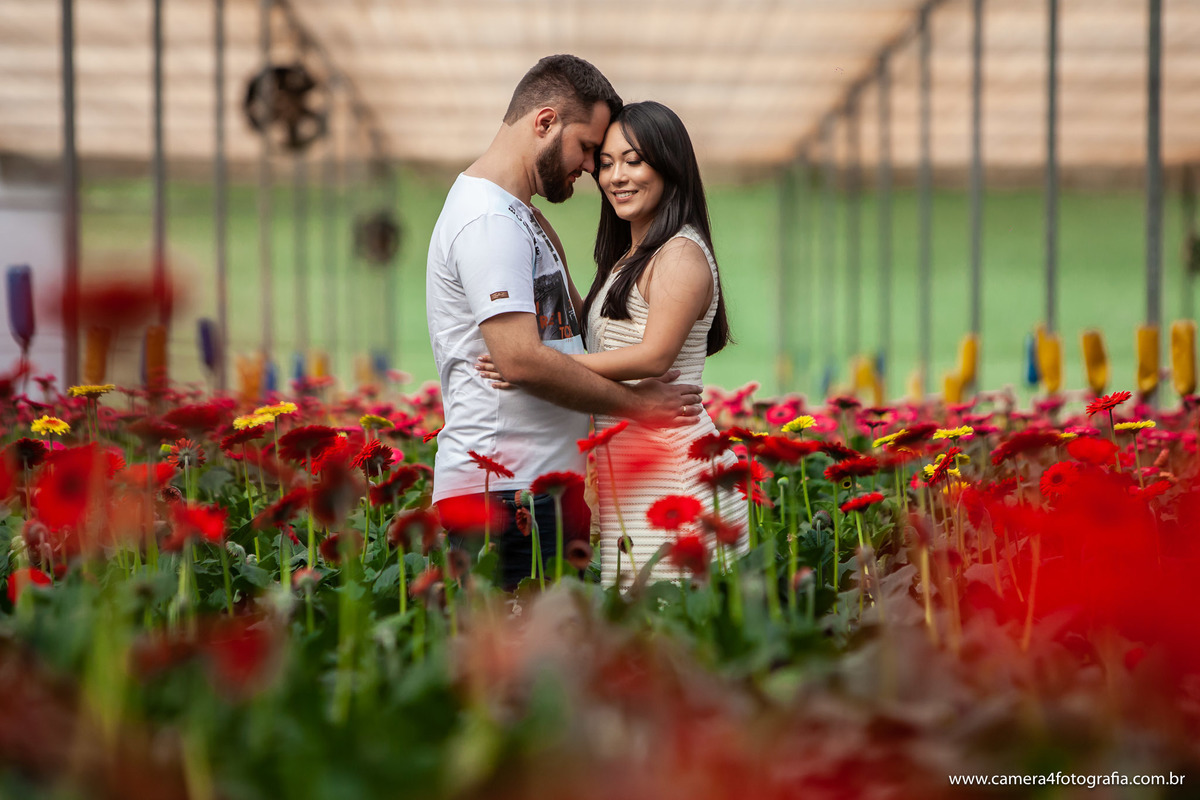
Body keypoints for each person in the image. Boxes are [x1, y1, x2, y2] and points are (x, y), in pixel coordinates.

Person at [426, 56, 704, 591]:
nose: (592, 170)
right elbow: (520, 359)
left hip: (541, 487)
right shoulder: (487, 220)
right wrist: (640, 407)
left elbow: (574, 327)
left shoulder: (520, 214)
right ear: (546, 122)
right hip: (506, 492)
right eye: (588, 149)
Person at [479, 101, 746, 587]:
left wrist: (538, 364)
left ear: (670, 164)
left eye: (633, 160)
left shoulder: (681, 254)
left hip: (676, 470)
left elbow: (653, 356)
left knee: (674, 633)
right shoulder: (632, 258)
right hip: (635, 475)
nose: (615, 176)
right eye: (605, 163)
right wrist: (552, 255)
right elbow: (595, 330)